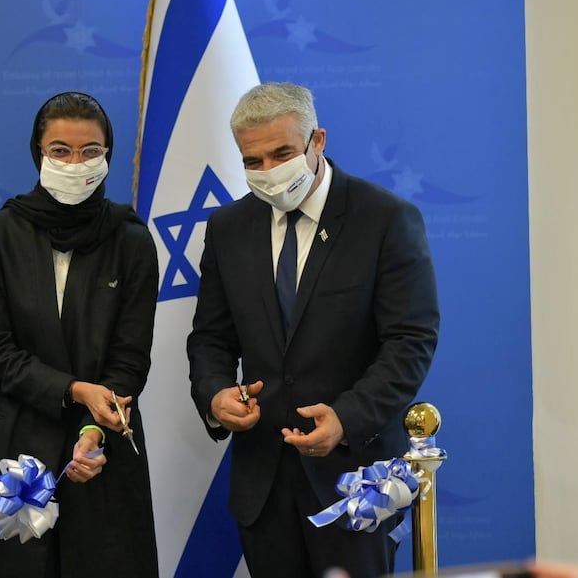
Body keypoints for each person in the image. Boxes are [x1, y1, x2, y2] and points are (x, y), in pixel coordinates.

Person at [187, 82, 440, 578]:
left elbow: (410, 341)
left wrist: (346, 417)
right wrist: (216, 395)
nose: (267, 171)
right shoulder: (228, 228)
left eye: (281, 153)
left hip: (356, 478)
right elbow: (211, 338)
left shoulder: (385, 219)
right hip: (263, 481)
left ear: (317, 141)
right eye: (251, 161)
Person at [0, 91, 160, 578]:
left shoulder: (131, 239)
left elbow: (130, 357)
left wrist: (92, 427)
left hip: (100, 444)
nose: (75, 162)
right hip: (9, 443)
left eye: (91, 150)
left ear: (107, 153)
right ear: (38, 153)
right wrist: (72, 390)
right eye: (60, 150)